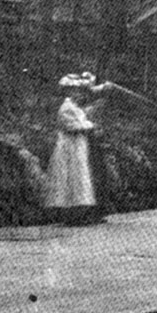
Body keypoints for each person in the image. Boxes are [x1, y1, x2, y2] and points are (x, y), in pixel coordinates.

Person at [45, 72, 113, 226]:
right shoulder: (66, 107)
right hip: (69, 146)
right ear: (68, 91)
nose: (78, 93)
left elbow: (81, 120)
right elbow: (73, 125)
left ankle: (82, 212)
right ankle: (73, 213)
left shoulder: (74, 107)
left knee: (80, 178)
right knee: (72, 177)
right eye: (75, 90)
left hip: (77, 145)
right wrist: (90, 126)